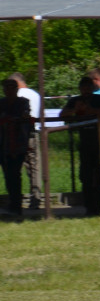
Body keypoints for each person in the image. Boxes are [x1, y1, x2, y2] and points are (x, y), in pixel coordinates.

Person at [59, 77, 100, 216]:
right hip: (85, 143)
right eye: (83, 88)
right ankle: (89, 207)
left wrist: (89, 110)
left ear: (93, 88)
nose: (86, 90)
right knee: (86, 176)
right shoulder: (75, 100)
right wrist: (75, 110)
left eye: (88, 87)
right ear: (79, 89)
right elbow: (62, 115)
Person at [8, 73, 42, 210]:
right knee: (34, 167)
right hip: (33, 133)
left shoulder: (18, 95)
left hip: (17, 133)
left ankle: (15, 199)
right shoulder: (36, 94)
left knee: (14, 167)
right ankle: (36, 198)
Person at [0, 78, 33, 215]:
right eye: (7, 88)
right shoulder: (1, 103)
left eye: (12, 88)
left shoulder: (23, 102)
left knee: (15, 174)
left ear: (16, 89)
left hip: (18, 144)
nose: (9, 91)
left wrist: (22, 117)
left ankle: (16, 205)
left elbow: (26, 114)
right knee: (8, 175)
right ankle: (13, 203)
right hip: (3, 144)